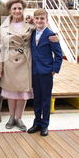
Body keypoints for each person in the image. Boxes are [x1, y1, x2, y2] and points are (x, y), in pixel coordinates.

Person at [0, 0, 33, 132]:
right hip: (9, 61)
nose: (17, 11)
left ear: (23, 10)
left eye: (20, 8)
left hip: (24, 61)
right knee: (11, 92)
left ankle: (19, 118)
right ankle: (11, 117)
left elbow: (43, 29)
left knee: (22, 93)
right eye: (14, 8)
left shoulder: (30, 25)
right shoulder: (3, 27)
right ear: (10, 10)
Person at [27, 8, 63, 137]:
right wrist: (29, 21)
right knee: (36, 99)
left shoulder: (51, 35)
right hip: (34, 72)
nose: (39, 21)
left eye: (42, 18)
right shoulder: (31, 33)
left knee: (45, 100)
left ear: (46, 20)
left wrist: (54, 69)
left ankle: (45, 125)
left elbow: (59, 55)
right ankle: (37, 122)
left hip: (46, 72)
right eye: (37, 18)